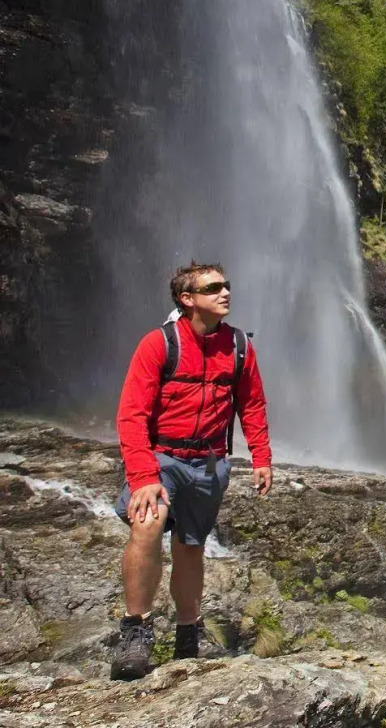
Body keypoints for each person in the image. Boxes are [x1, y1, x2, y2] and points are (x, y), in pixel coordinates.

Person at [110, 262, 273, 681]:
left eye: (226, 285)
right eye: (213, 287)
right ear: (188, 299)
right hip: (162, 458)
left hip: (210, 463)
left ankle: (187, 633)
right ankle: (135, 631)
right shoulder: (159, 344)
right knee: (147, 522)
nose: (225, 293)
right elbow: (132, 414)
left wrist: (262, 457)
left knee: (191, 546)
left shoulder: (239, 347)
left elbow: (250, 404)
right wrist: (144, 475)